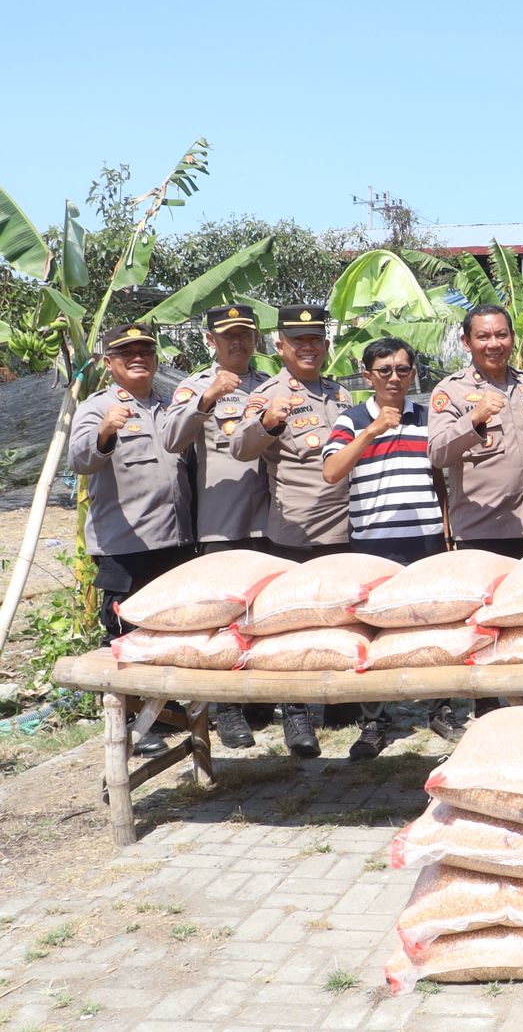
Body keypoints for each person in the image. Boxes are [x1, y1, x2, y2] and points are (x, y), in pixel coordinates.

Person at [231, 304, 354, 758]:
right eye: (297, 341)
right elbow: (240, 447)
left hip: (345, 528)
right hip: (294, 532)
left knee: (340, 619)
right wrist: (267, 423)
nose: (308, 347)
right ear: (279, 346)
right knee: (292, 627)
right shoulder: (266, 395)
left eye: (315, 340)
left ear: (325, 345)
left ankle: (341, 704)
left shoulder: (342, 394)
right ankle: (296, 715)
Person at [321, 337, 453, 758]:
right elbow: (331, 471)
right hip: (373, 542)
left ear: (412, 373)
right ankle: (375, 721)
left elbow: (440, 478)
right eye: (384, 370)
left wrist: (447, 529)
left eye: (402, 369)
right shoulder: (351, 419)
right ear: (367, 375)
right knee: (372, 632)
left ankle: (441, 707)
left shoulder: (430, 417)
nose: (394, 377)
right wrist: (370, 433)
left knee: (432, 624)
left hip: (427, 538)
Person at [69, 323, 195, 757]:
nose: (138, 357)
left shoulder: (168, 406)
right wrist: (106, 430)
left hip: (175, 540)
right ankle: (132, 719)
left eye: (145, 350)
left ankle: (168, 708)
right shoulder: (97, 406)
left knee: (169, 628)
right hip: (126, 544)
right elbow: (82, 460)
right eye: (127, 352)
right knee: (124, 634)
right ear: (110, 363)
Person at [161, 303, 272, 750]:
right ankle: (228, 710)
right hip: (222, 520)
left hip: (271, 518)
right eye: (228, 335)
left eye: (245, 333)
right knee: (225, 616)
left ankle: (265, 700)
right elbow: (171, 439)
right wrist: (207, 400)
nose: (237, 342)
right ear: (211, 340)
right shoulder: (194, 387)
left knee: (265, 612)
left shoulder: (272, 384)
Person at [428, 303, 523, 719]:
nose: (493, 344)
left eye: (501, 335)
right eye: (483, 336)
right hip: (480, 530)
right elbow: (438, 452)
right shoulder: (452, 392)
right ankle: (486, 706)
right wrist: (473, 420)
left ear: (512, 338)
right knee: (483, 624)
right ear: (467, 342)